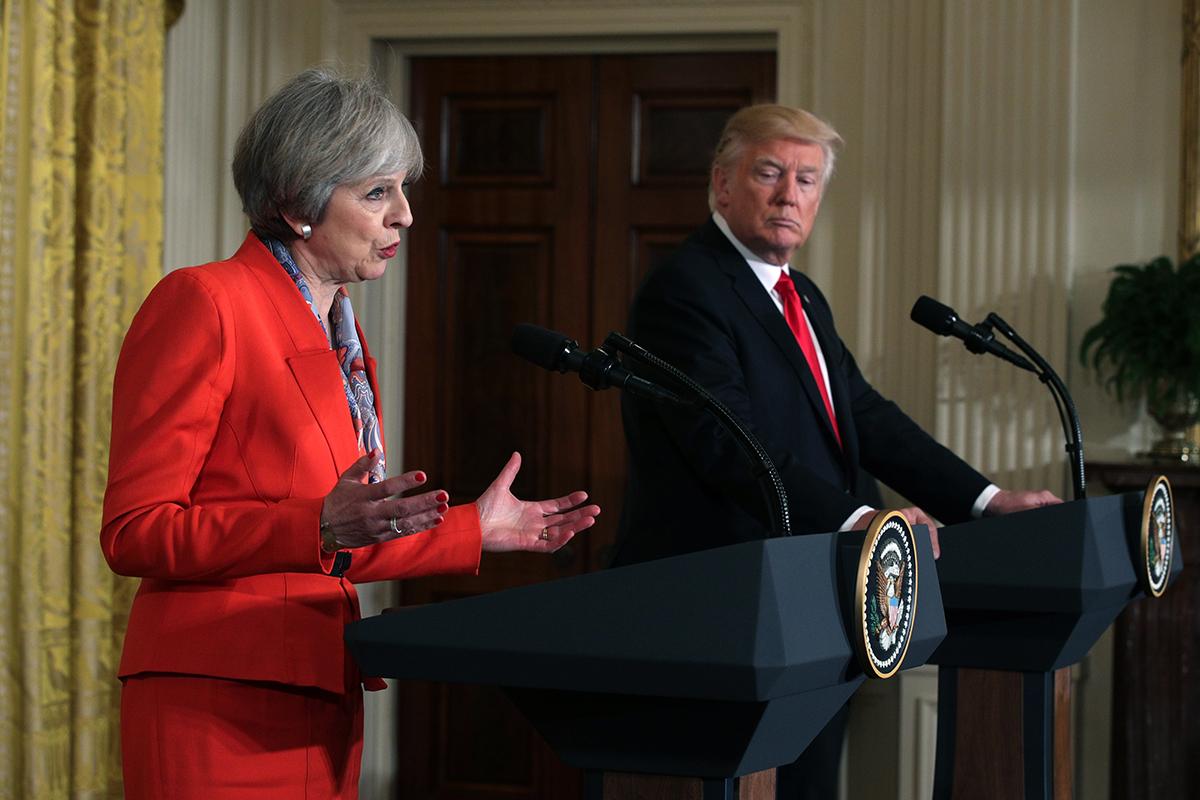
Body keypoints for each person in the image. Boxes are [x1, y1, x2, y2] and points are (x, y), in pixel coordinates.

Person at [100, 67, 600, 800]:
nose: (405, 216)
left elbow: (339, 543)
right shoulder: (205, 302)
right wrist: (316, 525)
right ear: (294, 202)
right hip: (217, 703)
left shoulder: (340, 331)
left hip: (321, 695)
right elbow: (136, 532)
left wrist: (474, 529)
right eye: (376, 193)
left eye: (404, 190)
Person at [610, 105, 1059, 799]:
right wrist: (863, 523)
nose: (791, 194)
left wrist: (985, 502)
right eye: (770, 173)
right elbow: (731, 447)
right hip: (729, 604)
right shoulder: (687, 291)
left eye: (809, 179)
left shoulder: (802, 295)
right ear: (722, 184)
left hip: (821, 600)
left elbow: (865, 419)